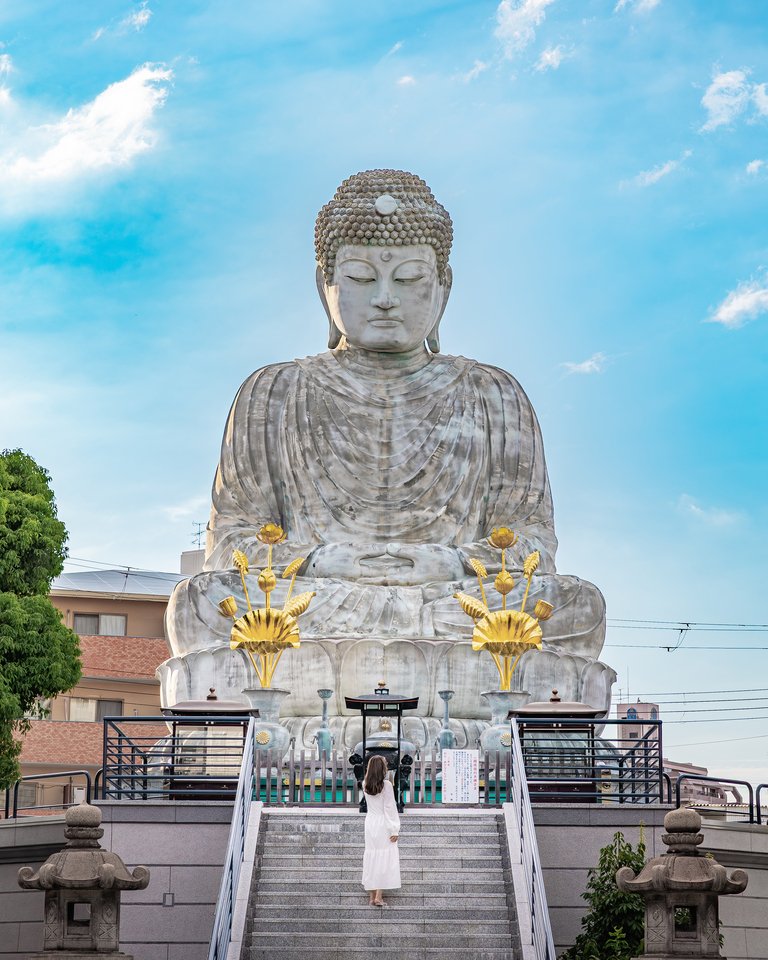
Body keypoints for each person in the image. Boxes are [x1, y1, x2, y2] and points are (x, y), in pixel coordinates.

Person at [362, 755, 400, 907]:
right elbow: (389, 808)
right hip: (383, 823)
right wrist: (394, 829)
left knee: (372, 856)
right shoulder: (387, 785)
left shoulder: (365, 784)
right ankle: (379, 896)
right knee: (383, 857)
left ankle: (371, 897)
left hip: (370, 822)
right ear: (382, 769)